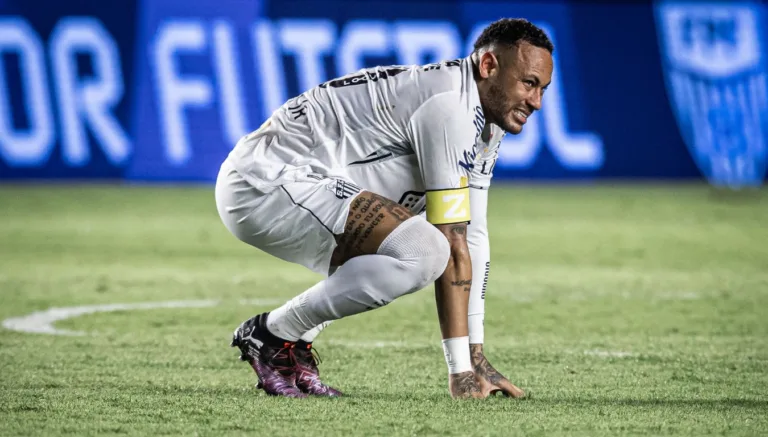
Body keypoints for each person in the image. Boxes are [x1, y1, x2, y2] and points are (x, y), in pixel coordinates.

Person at [215, 17, 554, 399]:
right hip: (264, 180)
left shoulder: (483, 122)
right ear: (489, 66)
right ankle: (273, 333)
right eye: (528, 83)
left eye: (542, 88)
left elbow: (473, 235)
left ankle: (285, 342)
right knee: (426, 249)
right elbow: (453, 245)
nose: (536, 101)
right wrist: (460, 371)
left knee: (419, 235)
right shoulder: (449, 106)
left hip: (305, 179)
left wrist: (476, 359)